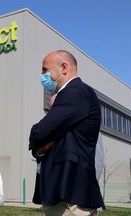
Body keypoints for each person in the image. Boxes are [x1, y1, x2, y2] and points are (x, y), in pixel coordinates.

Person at [29, 50, 105, 215]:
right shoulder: (71, 94)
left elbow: (38, 132)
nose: (42, 75)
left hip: (70, 195)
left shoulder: (76, 92)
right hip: (63, 194)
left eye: (45, 69)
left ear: (64, 67)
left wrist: (38, 136)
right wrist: (40, 149)